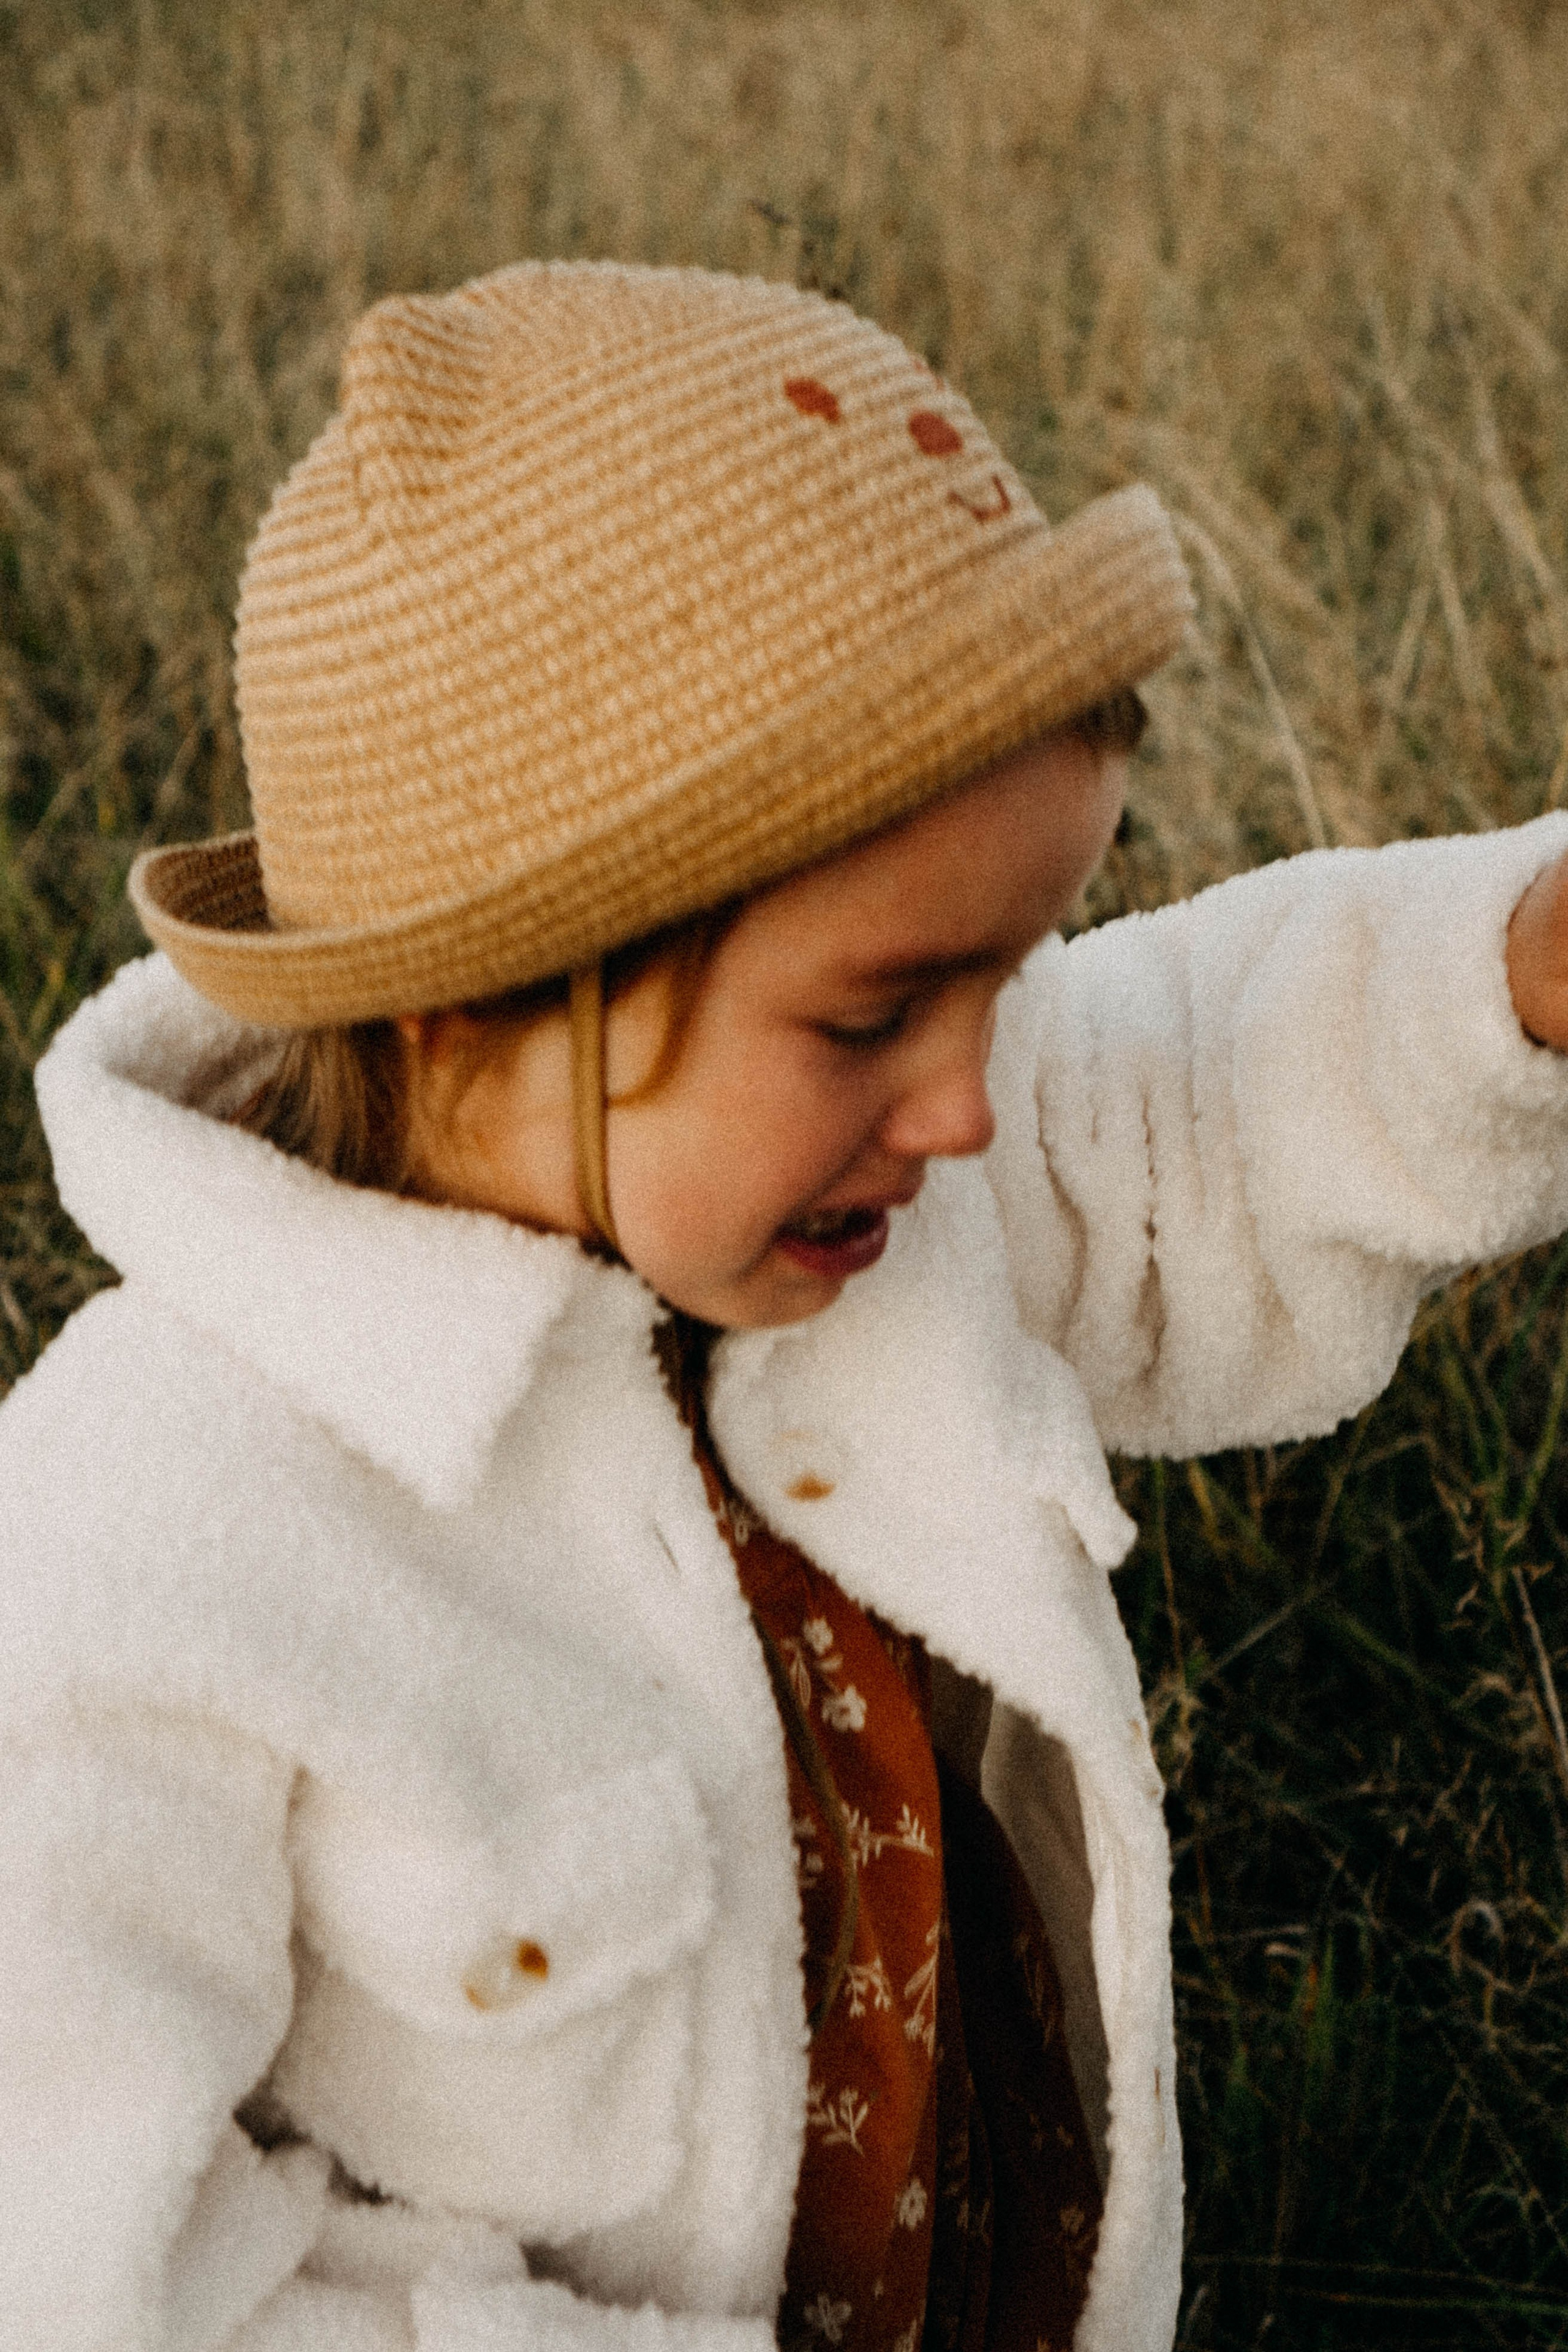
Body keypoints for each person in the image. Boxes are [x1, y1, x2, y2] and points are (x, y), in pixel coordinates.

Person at [5, 260, 1568, 2352]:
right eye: (873, 1012)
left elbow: (1193, 1088)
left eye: (1004, 981)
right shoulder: (155, 1536)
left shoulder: (829, 1208)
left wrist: (1515, 976)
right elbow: (81, 2258)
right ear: (482, 986)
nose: (966, 1101)